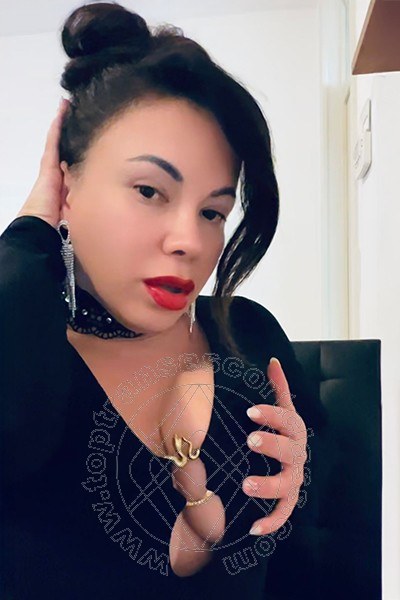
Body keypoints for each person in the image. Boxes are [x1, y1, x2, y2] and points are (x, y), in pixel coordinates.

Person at [0, 3, 328, 598]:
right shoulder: (28, 349)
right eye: (150, 191)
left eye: (213, 212)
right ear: (66, 187)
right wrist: (28, 232)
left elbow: (320, 531)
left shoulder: (249, 334)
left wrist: (301, 477)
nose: (190, 242)